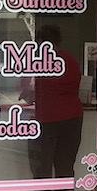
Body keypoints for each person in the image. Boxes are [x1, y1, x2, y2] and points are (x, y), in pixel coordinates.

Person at [29, 24, 84, 178]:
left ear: (40, 41)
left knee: (41, 168)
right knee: (65, 166)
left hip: (47, 118)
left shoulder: (38, 61)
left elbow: (24, 90)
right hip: (72, 118)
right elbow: (76, 83)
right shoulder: (69, 59)